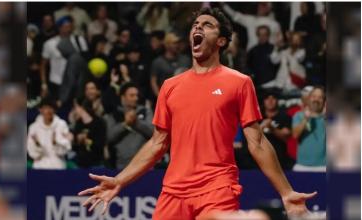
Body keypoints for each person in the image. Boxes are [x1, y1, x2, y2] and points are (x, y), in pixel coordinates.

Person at [78, 8, 316, 219]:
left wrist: (286, 192)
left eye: (207, 25)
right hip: (173, 192)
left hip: (218, 188)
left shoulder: (239, 82)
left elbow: (258, 142)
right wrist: (120, 180)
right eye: (195, 25)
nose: (198, 27)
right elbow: (157, 142)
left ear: (221, 41)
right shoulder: (170, 86)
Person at [104, 83, 153, 169]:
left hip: (145, 165)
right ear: (123, 97)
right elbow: (109, 137)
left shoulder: (145, 112)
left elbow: (153, 132)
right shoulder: (114, 115)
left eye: (137, 95)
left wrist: (136, 122)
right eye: (132, 95)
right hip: (121, 166)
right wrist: (125, 124)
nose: (136, 98)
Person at [27, 97, 72, 169]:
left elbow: (65, 150)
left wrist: (55, 143)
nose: (48, 111)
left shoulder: (62, 124)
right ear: (40, 110)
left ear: (54, 110)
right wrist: (38, 145)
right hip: (39, 167)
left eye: (50, 108)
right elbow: (33, 154)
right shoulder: (33, 127)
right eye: (45, 108)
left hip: (58, 167)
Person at [292, 86, 326, 172]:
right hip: (302, 166)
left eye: (320, 97)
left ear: (324, 101)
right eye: (314, 96)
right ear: (308, 99)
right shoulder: (298, 115)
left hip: (323, 166)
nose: (316, 100)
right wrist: (305, 119)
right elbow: (295, 135)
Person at [260, 91, 294, 169]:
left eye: (273, 98)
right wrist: (261, 127)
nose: (270, 101)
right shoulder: (258, 116)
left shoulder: (285, 117)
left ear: (277, 101)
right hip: (259, 157)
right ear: (264, 101)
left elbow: (285, 138)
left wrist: (272, 128)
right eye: (267, 99)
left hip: (279, 158)